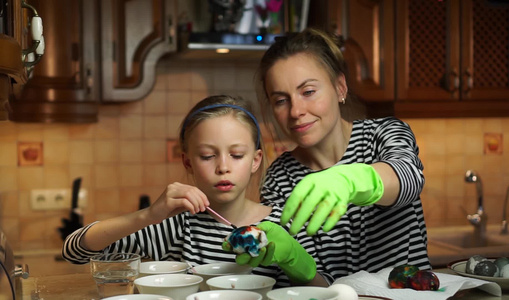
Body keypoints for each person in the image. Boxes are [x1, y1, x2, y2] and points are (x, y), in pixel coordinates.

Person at [62, 95, 329, 287]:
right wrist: (148, 216)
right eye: (207, 155)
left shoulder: (286, 224)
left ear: (255, 160)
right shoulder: (177, 227)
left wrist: (296, 260)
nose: (223, 167)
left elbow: (326, 292)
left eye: (236, 155)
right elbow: (75, 251)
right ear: (188, 161)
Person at [253, 28, 431, 281]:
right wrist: (293, 259)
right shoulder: (280, 179)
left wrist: (351, 180)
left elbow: (409, 179)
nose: (296, 111)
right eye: (281, 100)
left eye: (308, 92)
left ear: (339, 87)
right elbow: (319, 284)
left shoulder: (385, 132)